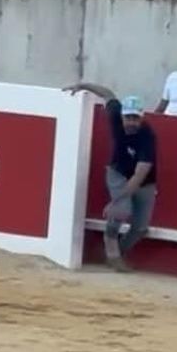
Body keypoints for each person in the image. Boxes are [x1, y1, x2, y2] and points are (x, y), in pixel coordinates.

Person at [64, 82, 158, 271]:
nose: (131, 122)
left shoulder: (147, 136)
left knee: (140, 227)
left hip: (144, 181)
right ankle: (113, 253)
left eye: (135, 118)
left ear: (141, 118)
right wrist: (81, 85)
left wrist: (117, 199)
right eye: (128, 117)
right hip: (118, 172)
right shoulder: (115, 114)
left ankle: (116, 253)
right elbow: (107, 93)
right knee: (121, 209)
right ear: (122, 116)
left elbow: (140, 174)